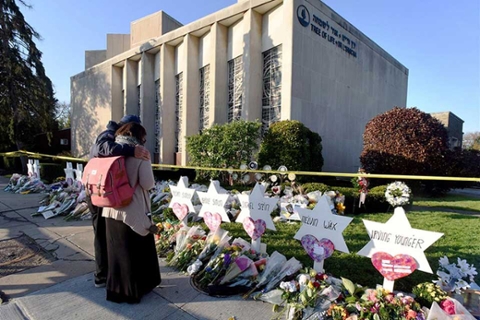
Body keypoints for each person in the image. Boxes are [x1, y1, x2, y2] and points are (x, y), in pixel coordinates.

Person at [87, 115, 151, 288]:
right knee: (101, 234)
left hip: (103, 189)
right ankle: (101, 276)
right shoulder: (107, 135)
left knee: (106, 235)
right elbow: (102, 148)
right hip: (98, 191)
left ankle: (108, 275)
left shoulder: (115, 138)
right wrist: (132, 150)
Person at [102, 122, 161, 303]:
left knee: (117, 255)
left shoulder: (110, 151)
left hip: (110, 209)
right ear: (139, 136)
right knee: (136, 254)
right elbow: (147, 183)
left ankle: (116, 291)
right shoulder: (140, 154)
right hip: (132, 211)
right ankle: (137, 289)